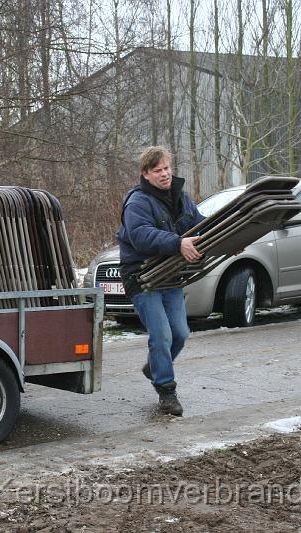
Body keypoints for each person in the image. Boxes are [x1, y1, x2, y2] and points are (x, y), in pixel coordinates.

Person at [116, 146, 205, 416]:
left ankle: (155, 367)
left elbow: (201, 225)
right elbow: (141, 236)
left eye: (167, 168)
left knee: (180, 333)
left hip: (169, 274)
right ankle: (166, 391)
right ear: (146, 174)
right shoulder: (138, 202)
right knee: (162, 335)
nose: (165, 174)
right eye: (158, 170)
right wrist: (178, 243)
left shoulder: (182, 198)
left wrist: (229, 242)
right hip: (142, 276)